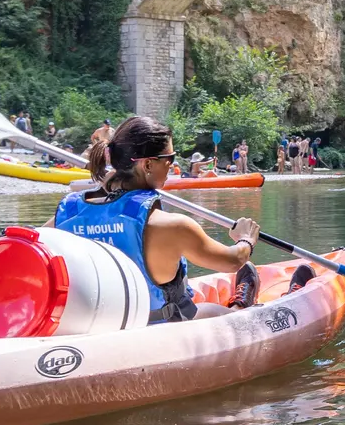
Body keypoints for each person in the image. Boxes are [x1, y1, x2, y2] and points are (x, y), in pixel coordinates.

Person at [49, 115, 262, 322]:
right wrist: (245, 239)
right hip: (158, 329)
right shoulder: (175, 226)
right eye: (170, 158)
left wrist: (106, 188)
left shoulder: (67, 215)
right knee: (223, 315)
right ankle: (240, 305)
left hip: (95, 326)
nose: (171, 164)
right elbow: (232, 261)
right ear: (148, 165)